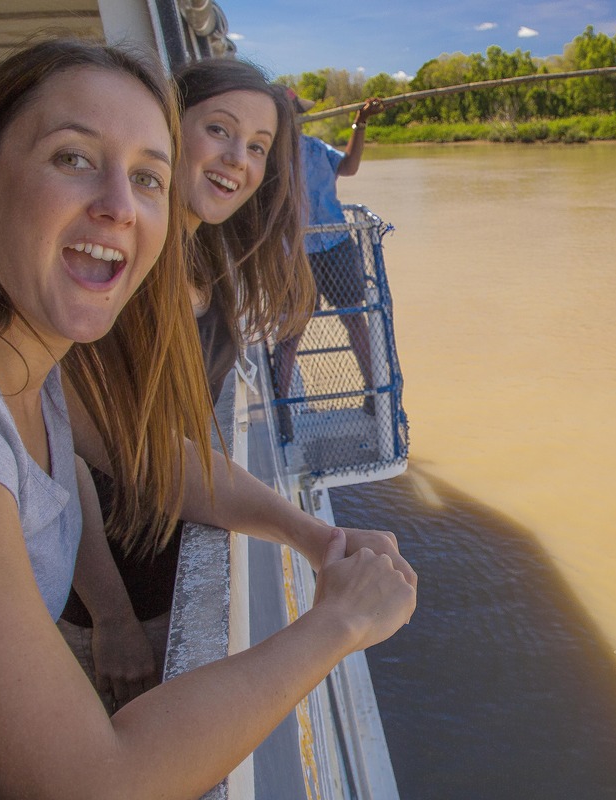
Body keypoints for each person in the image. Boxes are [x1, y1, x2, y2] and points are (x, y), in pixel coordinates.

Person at [0, 38, 415, 800]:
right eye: (73, 158)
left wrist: (314, 535)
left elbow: (159, 459)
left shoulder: (27, 355)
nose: (119, 206)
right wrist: (341, 624)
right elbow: (92, 784)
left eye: (147, 177)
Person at [58, 59, 414, 715]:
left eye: (257, 146)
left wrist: (318, 539)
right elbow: (74, 456)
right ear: (164, 129)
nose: (237, 159)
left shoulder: (208, 260)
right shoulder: (114, 271)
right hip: (110, 600)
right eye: (218, 130)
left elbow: (170, 451)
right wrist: (110, 616)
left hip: (173, 557)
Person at [273, 94, 387, 425]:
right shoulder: (268, 156)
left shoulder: (315, 147)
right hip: (295, 253)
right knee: (292, 328)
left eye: (295, 115)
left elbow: (349, 166)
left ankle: (373, 392)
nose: (294, 120)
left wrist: (360, 121)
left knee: (355, 318)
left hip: (336, 244)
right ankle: (282, 405)